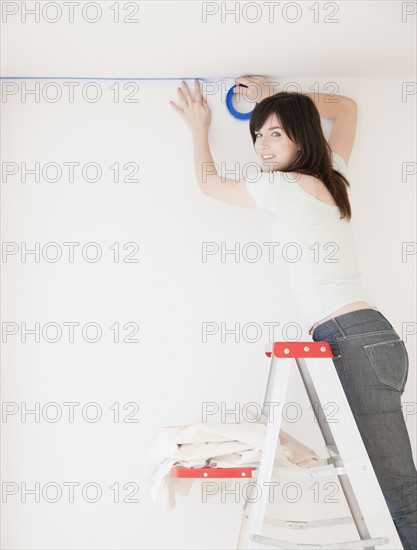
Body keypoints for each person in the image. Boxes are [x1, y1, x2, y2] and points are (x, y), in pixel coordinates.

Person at [169, 75, 416, 549]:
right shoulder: (332, 175)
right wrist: (275, 102)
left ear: (302, 135)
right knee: (392, 487)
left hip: (352, 339)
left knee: (398, 491)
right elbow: (347, 110)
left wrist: (199, 128)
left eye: (275, 133)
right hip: (369, 337)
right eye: (258, 134)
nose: (262, 144)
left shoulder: (282, 185)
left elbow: (209, 185)